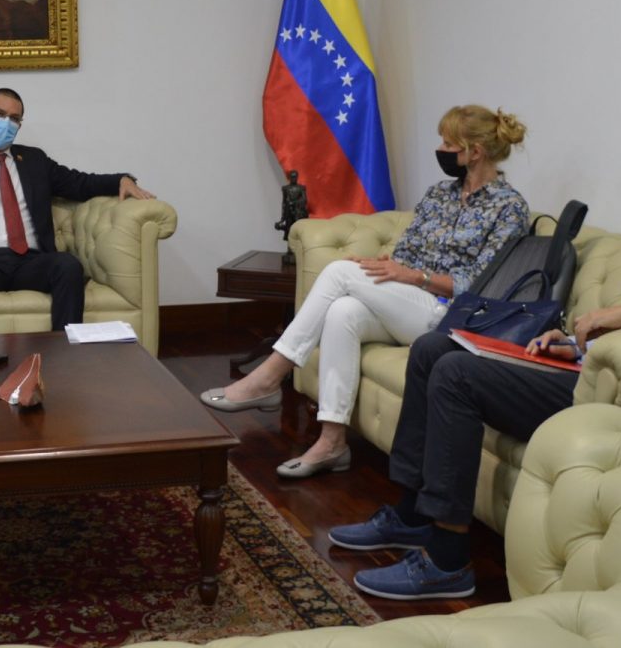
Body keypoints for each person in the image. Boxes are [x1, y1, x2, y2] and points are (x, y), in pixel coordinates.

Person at [334, 130, 621, 601]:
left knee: (456, 374)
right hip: (582, 369)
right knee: (433, 348)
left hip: (605, 400)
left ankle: (447, 560)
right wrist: (572, 343)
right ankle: (411, 514)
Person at [201, 106, 530, 481]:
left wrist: (414, 275)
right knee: (343, 310)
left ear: (475, 152)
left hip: (453, 315)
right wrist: (385, 265)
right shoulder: (440, 194)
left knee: (339, 272)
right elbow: (408, 253)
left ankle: (269, 376)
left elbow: (483, 284)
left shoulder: (509, 208)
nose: (440, 150)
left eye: (448, 144)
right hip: (411, 302)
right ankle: (332, 442)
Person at [0, 87, 155, 337]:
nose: (7, 123)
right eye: (0, 114)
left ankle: (65, 350)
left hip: (30, 261)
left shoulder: (35, 161)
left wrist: (121, 180)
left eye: (14, 118)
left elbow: (78, 183)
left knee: (68, 265)